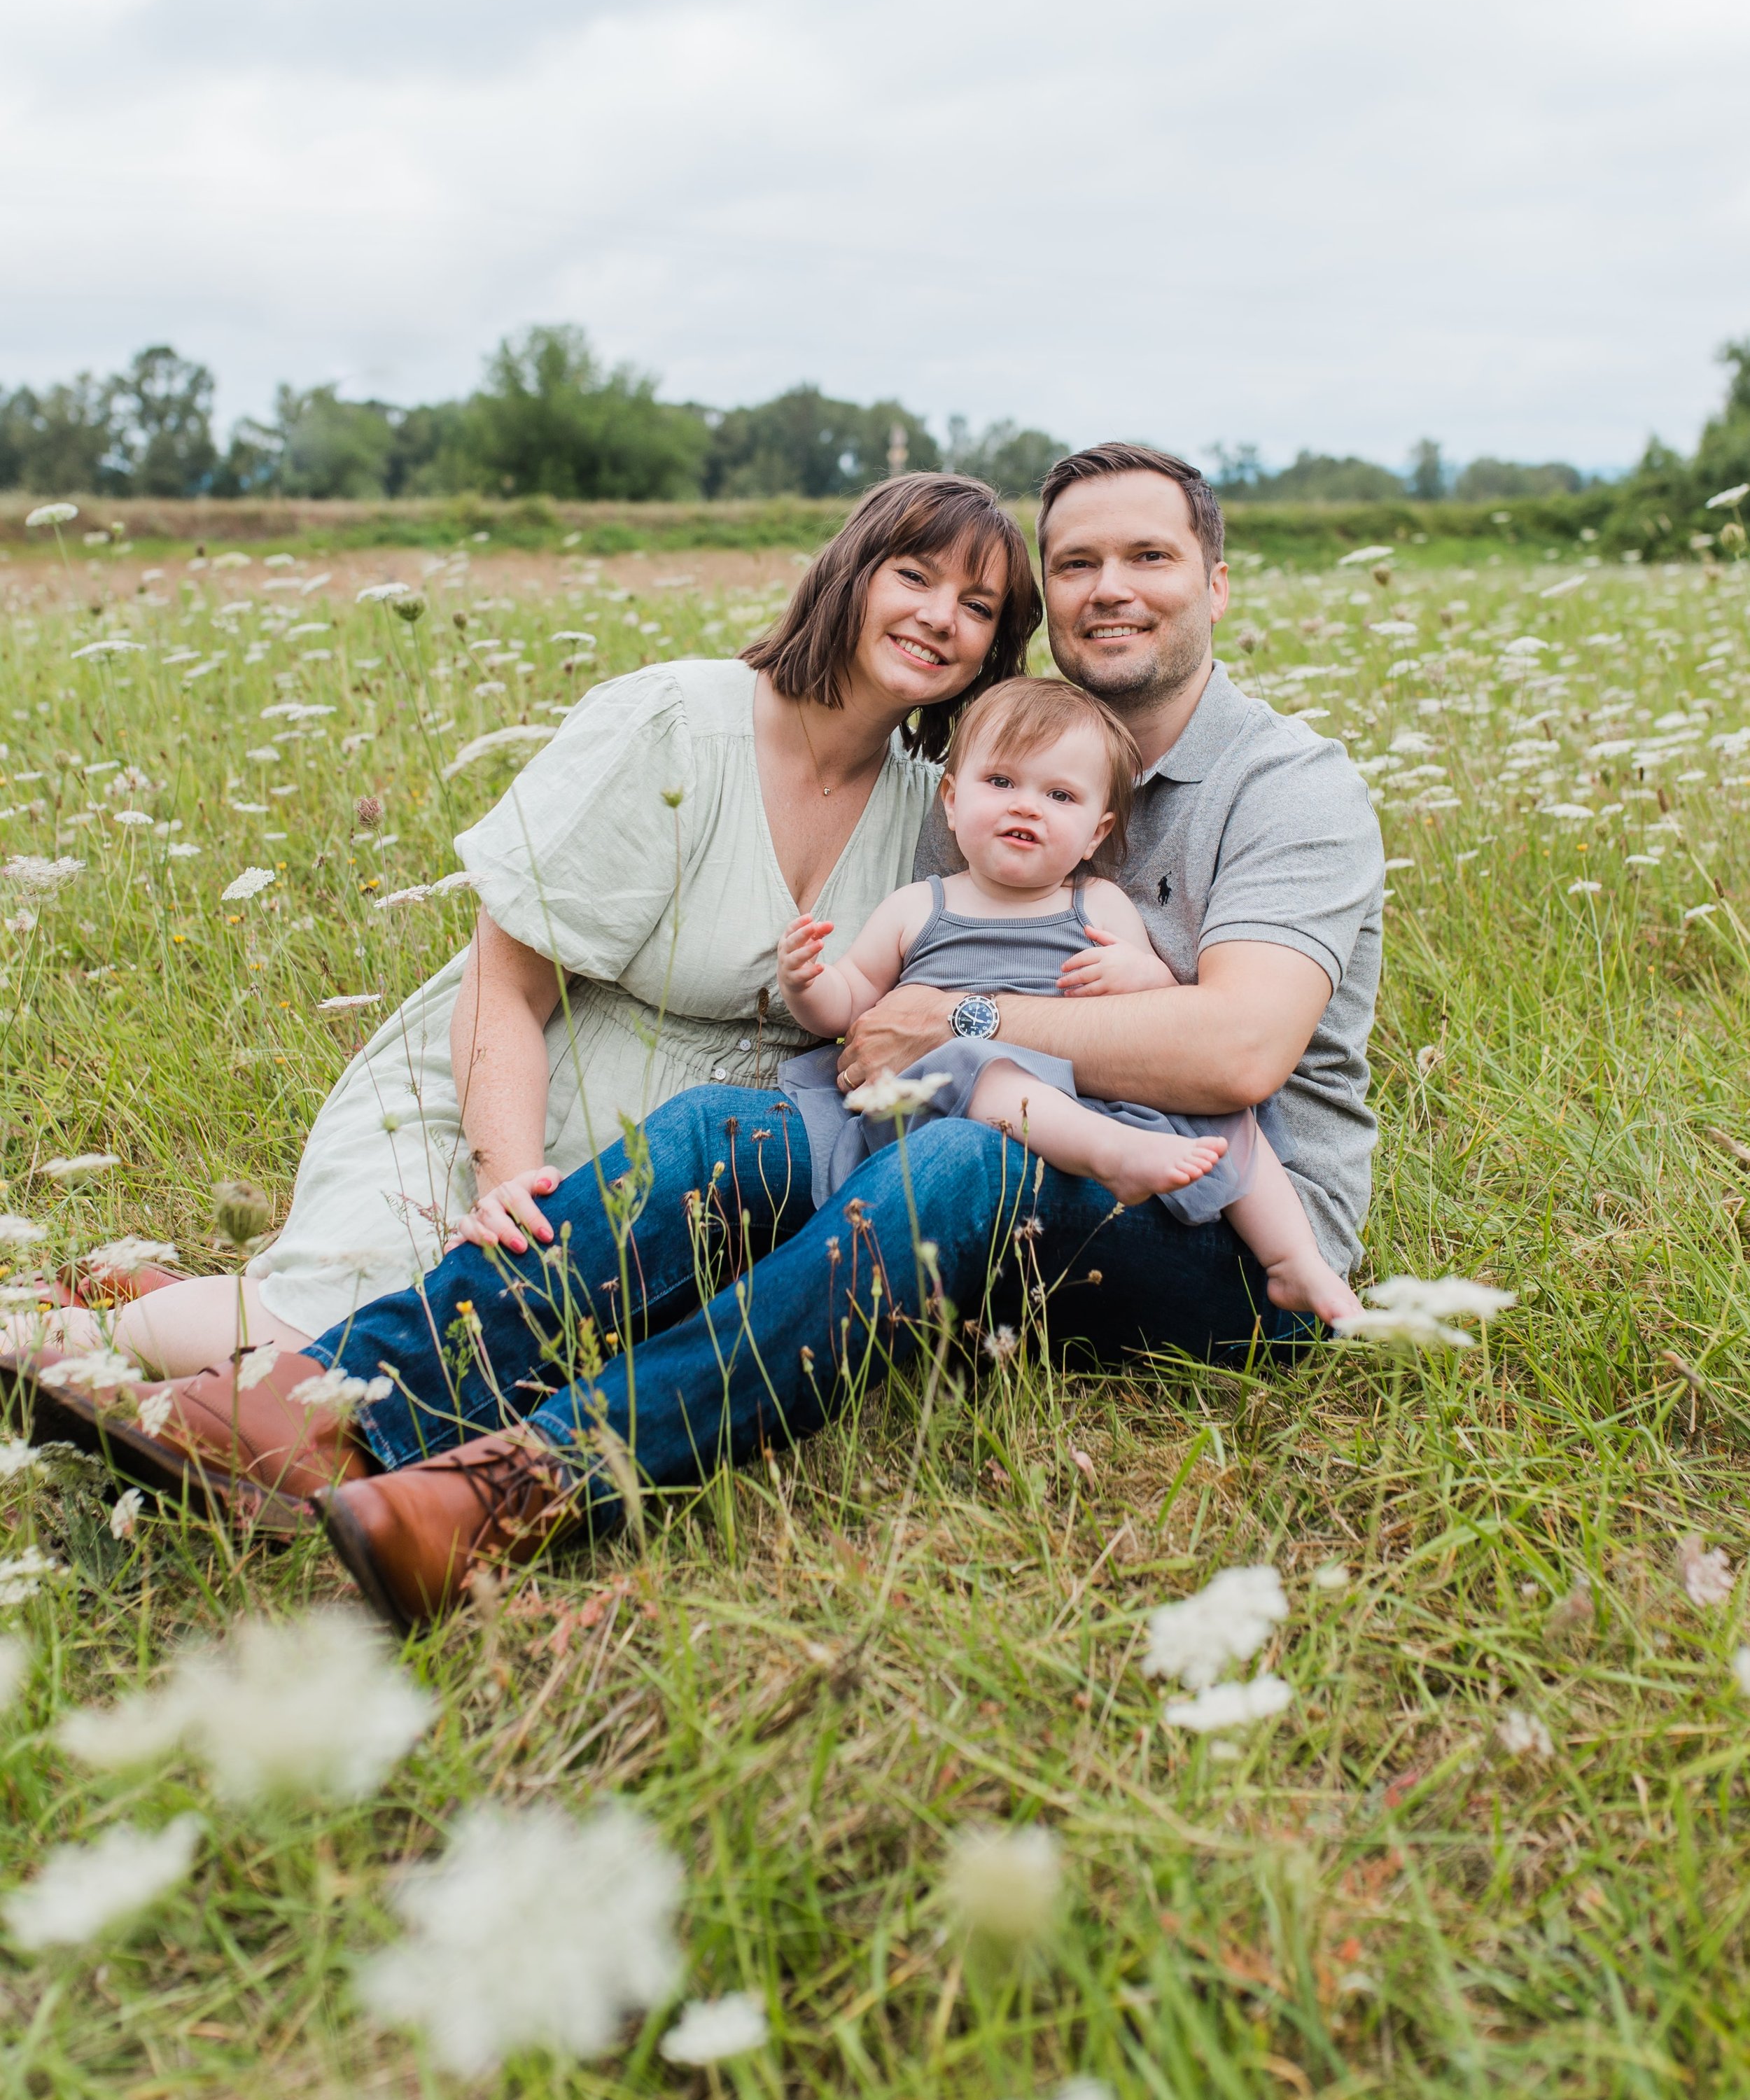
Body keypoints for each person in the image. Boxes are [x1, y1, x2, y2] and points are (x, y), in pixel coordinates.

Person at [15, 444, 1382, 1624]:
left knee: (961, 1156)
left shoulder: (1284, 788)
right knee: (729, 1131)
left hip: (1227, 1234)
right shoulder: (976, 781)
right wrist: (866, 1020)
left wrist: (940, 1019)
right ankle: (344, 1409)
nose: (1106, 588)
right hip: (983, 1167)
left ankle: (521, 1484)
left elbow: (1235, 1057)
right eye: (1074, 560)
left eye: (1146, 555)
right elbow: (851, 996)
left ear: (1213, 581)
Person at [4, 471, 1036, 1392]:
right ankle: (63, 1336)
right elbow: (505, 988)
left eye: (977, 605)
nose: (940, 616)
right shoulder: (675, 722)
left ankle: (152, 1323)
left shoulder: (935, 812)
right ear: (849, 576)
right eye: (914, 576)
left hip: (683, 1182)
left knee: (516, 1378)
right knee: (329, 1343)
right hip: (501, 1109)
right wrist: (504, 1175)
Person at [774, 673, 1355, 1325]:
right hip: (966, 1102)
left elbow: (1157, 1007)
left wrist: (1145, 978)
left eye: (1059, 795)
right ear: (950, 800)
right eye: (1001, 783)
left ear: (1095, 832)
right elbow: (855, 1008)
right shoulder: (919, 907)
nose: (1027, 806)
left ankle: (1293, 1261)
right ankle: (1108, 1155)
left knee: (1228, 1119)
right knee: (977, 1066)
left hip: (1091, 1093)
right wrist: (807, 984)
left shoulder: (1097, 904)